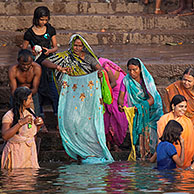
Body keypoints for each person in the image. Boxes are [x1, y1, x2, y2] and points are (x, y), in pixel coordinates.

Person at [42, 34, 114, 164]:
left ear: (84, 46)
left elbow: (100, 69)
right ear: (71, 45)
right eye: (75, 45)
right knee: (72, 122)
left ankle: (89, 152)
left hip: (87, 96)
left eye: (80, 46)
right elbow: (45, 61)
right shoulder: (64, 57)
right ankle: (74, 152)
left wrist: (100, 72)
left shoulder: (89, 58)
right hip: (71, 96)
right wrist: (59, 68)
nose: (77, 48)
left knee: (87, 124)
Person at [118, 57, 163, 160]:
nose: (132, 73)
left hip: (153, 111)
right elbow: (121, 97)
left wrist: (140, 107)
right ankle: (142, 156)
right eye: (129, 70)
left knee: (152, 133)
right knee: (140, 132)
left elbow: (152, 99)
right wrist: (121, 106)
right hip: (138, 112)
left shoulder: (147, 80)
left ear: (140, 69)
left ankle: (153, 155)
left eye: (135, 70)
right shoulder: (126, 80)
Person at [22, 6, 59, 123]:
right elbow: (23, 50)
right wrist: (31, 53)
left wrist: (49, 51)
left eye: (46, 20)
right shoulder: (29, 33)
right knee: (38, 91)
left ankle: (58, 117)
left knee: (54, 91)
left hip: (49, 64)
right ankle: (40, 119)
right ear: (36, 19)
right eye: (41, 20)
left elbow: (55, 47)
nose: (43, 22)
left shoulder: (50, 29)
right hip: (36, 65)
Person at [1, 87, 44, 169]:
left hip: (30, 153)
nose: (31, 101)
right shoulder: (9, 116)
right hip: (16, 152)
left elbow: (31, 134)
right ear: (23, 100)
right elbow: (5, 136)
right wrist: (20, 123)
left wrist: (38, 125)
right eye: (29, 98)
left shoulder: (30, 112)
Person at [98, 57, 128, 151]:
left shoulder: (103, 65)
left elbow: (114, 83)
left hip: (117, 88)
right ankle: (107, 143)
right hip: (108, 90)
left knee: (118, 116)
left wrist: (103, 93)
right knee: (105, 116)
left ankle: (117, 144)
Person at [157, 94, 194, 167]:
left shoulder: (188, 122)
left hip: (185, 160)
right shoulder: (164, 119)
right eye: (181, 106)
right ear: (173, 106)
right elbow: (161, 140)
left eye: (185, 107)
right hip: (168, 160)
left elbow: (190, 143)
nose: (184, 109)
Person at [8, 49, 41, 117]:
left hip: (32, 94)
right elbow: (13, 90)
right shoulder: (13, 70)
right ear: (18, 61)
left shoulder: (36, 68)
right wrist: (21, 97)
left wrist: (27, 97)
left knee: (36, 116)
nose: (25, 67)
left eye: (28, 64)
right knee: (14, 116)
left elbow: (35, 88)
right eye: (23, 64)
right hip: (17, 94)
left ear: (32, 61)